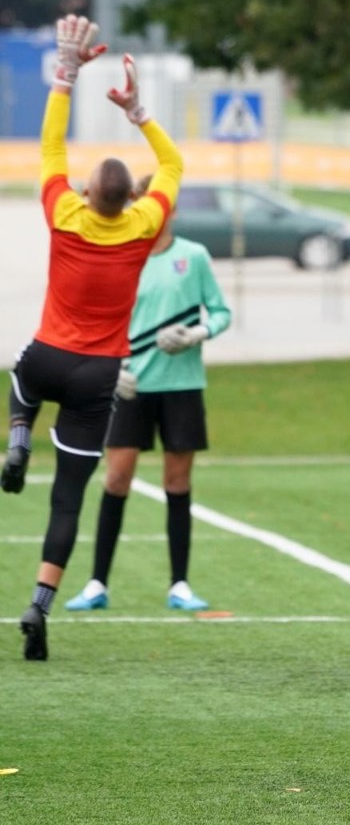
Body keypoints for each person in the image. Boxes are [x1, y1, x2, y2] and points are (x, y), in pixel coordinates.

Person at [1, 14, 183, 661]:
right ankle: (39, 605)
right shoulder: (142, 227)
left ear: (84, 193)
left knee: (19, 379)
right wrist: (137, 112)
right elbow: (173, 163)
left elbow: (50, 145)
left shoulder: (64, 213)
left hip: (49, 357)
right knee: (68, 500)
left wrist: (67, 73)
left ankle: (18, 437)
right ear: (131, 200)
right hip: (98, 375)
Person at [65, 176, 232, 613]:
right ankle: (96, 583)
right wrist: (110, 367)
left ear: (170, 210)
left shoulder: (192, 256)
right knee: (116, 478)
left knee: (178, 481)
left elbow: (220, 312)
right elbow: (97, 320)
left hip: (182, 387)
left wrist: (197, 332)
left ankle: (179, 584)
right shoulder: (121, 255)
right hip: (130, 386)